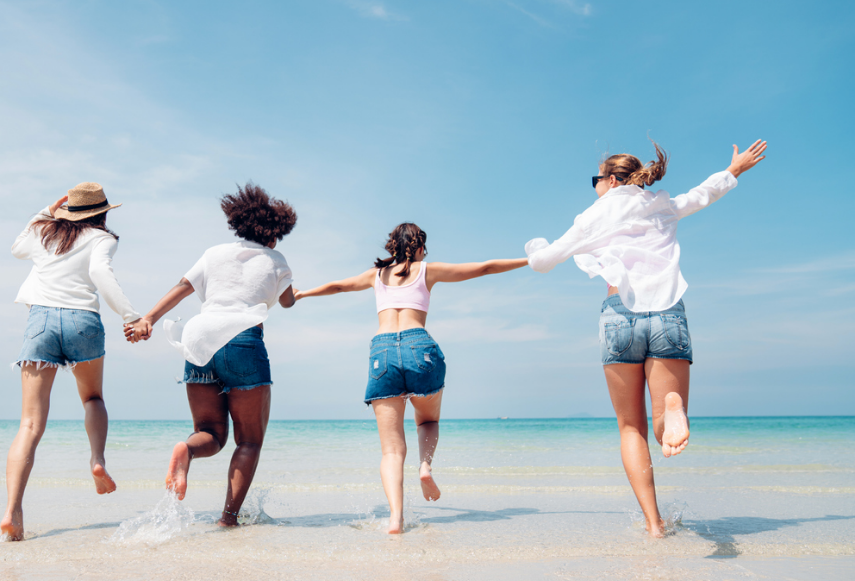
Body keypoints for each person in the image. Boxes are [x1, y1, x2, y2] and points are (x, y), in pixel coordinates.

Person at [524, 140, 768, 537]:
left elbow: (542, 262)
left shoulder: (592, 216)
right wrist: (734, 169)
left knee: (631, 429)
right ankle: (674, 407)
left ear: (611, 180)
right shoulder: (662, 204)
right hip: (668, 311)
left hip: (619, 318)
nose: (595, 186)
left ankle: (654, 525)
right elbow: (703, 194)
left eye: (596, 179)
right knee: (662, 429)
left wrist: (534, 246)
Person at [294, 223, 528, 534]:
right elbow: (484, 267)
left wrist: (302, 293)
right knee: (427, 420)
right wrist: (531, 260)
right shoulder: (426, 270)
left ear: (392, 248)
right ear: (419, 248)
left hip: (382, 351)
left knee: (391, 451)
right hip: (419, 346)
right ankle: (425, 466)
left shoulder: (376, 275)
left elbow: (338, 286)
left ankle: (396, 519)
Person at [125, 183, 296, 527]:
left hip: (199, 338)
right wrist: (289, 290)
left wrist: (148, 319)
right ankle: (228, 518)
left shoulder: (214, 253)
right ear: (274, 233)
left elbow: (182, 288)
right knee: (248, 441)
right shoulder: (276, 261)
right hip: (243, 340)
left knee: (211, 433)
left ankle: (187, 450)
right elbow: (288, 301)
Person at [1, 182, 141, 541]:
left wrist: (45, 212)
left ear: (69, 210)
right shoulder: (103, 239)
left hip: (41, 321)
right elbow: (101, 275)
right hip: (83, 321)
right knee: (92, 398)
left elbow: (16, 248)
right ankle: (97, 460)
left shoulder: (43, 232)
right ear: (102, 212)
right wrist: (130, 315)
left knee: (30, 424)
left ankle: (13, 511)